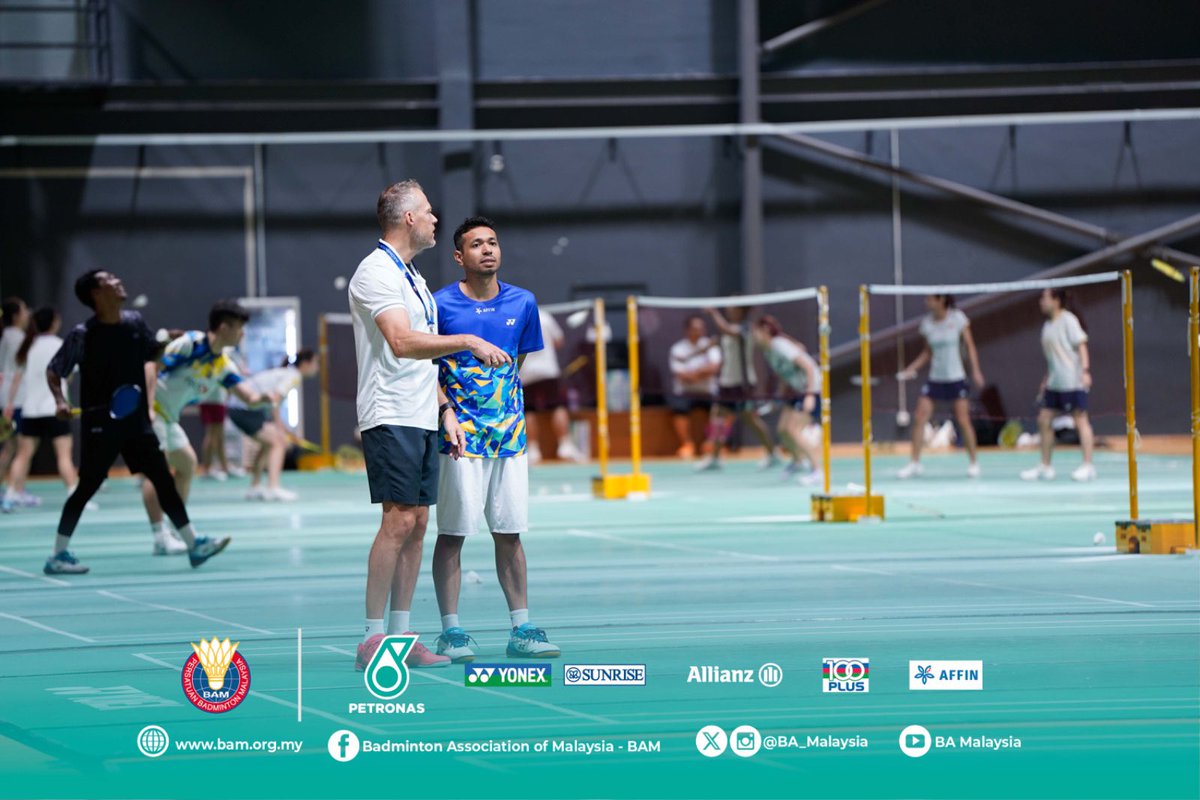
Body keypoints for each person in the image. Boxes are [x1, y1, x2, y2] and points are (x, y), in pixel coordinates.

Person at [349, 180, 510, 671]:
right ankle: (372, 640)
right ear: (408, 220)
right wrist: (466, 340)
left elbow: (423, 361)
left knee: (418, 525)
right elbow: (400, 342)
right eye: (429, 212)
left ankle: (401, 638)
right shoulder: (375, 272)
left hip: (421, 413)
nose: (437, 219)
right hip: (389, 412)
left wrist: (445, 411)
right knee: (397, 521)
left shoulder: (413, 277)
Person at [431, 216, 561, 663]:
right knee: (453, 534)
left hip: (509, 437)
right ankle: (452, 631)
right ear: (458, 256)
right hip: (459, 439)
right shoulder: (440, 305)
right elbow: (426, 369)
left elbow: (517, 362)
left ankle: (522, 627)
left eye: (492, 242)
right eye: (476, 244)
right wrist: (448, 410)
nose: (487, 250)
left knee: (509, 532)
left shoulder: (523, 302)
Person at [43, 269, 230, 574]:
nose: (118, 282)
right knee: (87, 487)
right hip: (101, 423)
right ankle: (57, 555)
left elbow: (150, 354)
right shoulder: (83, 334)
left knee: (163, 480)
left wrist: (166, 341)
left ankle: (194, 544)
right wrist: (60, 401)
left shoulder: (134, 323)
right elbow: (55, 370)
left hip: (137, 421)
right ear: (96, 294)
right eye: (109, 281)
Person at [141, 301, 275, 553]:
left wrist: (265, 398)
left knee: (187, 464)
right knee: (158, 472)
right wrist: (147, 407)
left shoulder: (224, 365)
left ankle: (173, 530)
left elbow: (249, 398)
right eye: (239, 328)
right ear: (224, 328)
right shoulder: (190, 344)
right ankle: (161, 537)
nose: (242, 334)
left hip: (169, 417)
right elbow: (151, 365)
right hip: (152, 412)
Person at [2, 308, 87, 512]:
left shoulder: (27, 347)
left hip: (31, 410)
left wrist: (10, 405)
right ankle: (74, 495)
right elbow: (70, 375)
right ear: (54, 323)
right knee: (64, 456)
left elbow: (16, 378)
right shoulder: (60, 345)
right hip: (56, 409)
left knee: (23, 455)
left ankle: (10, 494)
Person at [895, 294, 984, 479]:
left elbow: (970, 346)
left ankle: (974, 462)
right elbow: (927, 352)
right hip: (935, 378)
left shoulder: (958, 318)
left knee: (963, 420)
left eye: (929, 299)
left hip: (956, 377)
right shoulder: (927, 324)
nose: (926, 302)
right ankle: (914, 463)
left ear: (941, 300)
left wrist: (976, 371)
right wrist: (910, 369)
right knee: (920, 417)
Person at [1021, 288, 1095, 482]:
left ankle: (1088, 466)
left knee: (1081, 421)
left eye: (1044, 298)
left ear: (1056, 300)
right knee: (1044, 420)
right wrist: (1046, 380)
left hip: (1072, 381)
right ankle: (1045, 466)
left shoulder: (1068, 320)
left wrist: (1085, 371)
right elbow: (1053, 358)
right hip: (1055, 382)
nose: (1041, 301)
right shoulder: (1047, 326)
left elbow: (1081, 345)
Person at [228, 349, 319, 500]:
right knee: (278, 442)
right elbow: (274, 401)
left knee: (268, 443)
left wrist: (284, 429)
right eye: (316, 363)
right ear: (305, 363)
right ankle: (273, 487)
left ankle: (255, 487)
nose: (317, 368)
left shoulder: (286, 373)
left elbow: (272, 404)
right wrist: (282, 431)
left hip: (242, 408)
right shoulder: (293, 376)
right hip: (244, 408)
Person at [697, 305, 777, 471]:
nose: (729, 309)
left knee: (751, 420)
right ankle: (715, 457)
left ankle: (772, 453)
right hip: (727, 382)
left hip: (742, 384)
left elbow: (727, 330)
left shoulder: (746, 328)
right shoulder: (726, 331)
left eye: (733, 307)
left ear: (741, 311)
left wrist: (713, 313)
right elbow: (720, 339)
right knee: (717, 417)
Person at [751, 315, 824, 486]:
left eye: (755, 332)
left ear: (765, 330)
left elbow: (807, 366)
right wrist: (779, 396)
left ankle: (817, 471)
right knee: (783, 430)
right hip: (797, 390)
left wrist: (810, 395)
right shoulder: (768, 351)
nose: (753, 336)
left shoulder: (779, 345)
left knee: (794, 430)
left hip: (811, 388)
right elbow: (785, 374)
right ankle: (798, 462)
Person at [520, 309, 584, 464]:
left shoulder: (516, 319)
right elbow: (559, 341)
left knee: (529, 410)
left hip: (526, 372)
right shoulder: (545, 316)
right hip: (548, 370)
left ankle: (533, 450)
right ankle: (565, 445)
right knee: (557, 406)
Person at [0, 297, 36, 507]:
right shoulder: (18, 338)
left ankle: (14, 489)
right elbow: (16, 375)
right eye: (23, 310)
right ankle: (15, 491)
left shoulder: (5, 336)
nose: (27, 314)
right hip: (18, 401)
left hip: (8, 400)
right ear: (15, 316)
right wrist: (12, 403)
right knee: (24, 448)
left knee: (10, 448)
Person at [668, 315, 720, 459]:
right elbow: (681, 375)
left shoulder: (710, 345)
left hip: (708, 391)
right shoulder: (677, 348)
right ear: (687, 330)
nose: (699, 332)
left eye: (701, 329)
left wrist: (694, 374)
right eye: (695, 329)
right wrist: (701, 373)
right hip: (685, 392)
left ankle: (711, 444)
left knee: (725, 410)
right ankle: (687, 444)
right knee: (678, 408)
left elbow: (714, 368)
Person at [198, 385, 233, 481]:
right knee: (212, 435)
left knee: (219, 436)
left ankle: (224, 467)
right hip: (214, 401)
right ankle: (207, 469)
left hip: (213, 401)